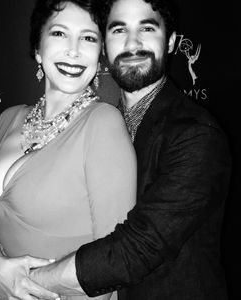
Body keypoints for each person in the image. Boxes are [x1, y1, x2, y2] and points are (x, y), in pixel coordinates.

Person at [24, 0, 232, 299]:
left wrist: (25, 283)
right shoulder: (98, 124)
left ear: (171, 41)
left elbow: (138, 248)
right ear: (105, 47)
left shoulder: (196, 135)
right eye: (119, 29)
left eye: (147, 28)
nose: (133, 43)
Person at [0, 1, 137, 300]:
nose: (74, 50)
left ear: (100, 55)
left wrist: (21, 284)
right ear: (38, 50)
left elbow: (112, 263)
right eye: (59, 33)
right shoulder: (8, 118)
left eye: (89, 38)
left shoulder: (102, 124)